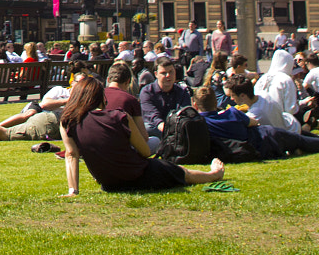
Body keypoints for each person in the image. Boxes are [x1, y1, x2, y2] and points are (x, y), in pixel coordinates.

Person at [59, 73, 227, 194]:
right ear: (99, 97)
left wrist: (73, 190)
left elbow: (71, 155)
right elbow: (145, 152)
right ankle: (214, 174)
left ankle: (73, 190)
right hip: (138, 175)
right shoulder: (119, 116)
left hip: (109, 182)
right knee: (180, 172)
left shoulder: (68, 121)